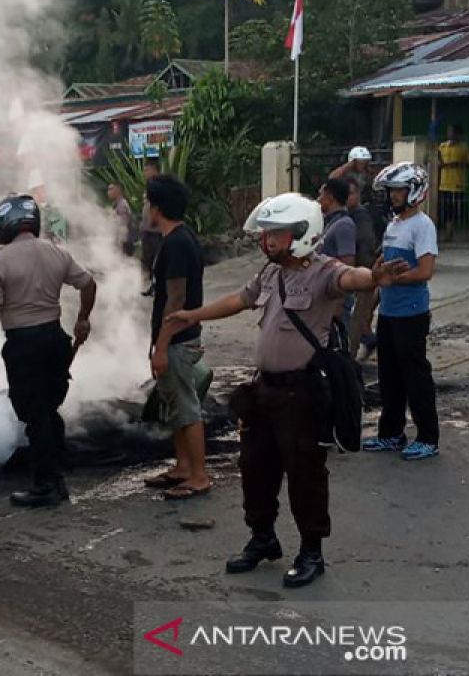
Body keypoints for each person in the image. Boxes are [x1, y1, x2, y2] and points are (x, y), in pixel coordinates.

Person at [166, 193, 407, 588]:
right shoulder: (271, 274)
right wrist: (193, 315)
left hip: (302, 394)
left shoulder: (324, 271)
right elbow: (239, 300)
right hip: (264, 392)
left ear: (301, 233)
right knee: (254, 469)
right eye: (266, 235)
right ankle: (263, 538)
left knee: (305, 475)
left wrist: (374, 278)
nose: (267, 242)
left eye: (274, 235)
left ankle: (312, 551)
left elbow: (351, 279)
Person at [0, 194, 96, 508]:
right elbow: (88, 284)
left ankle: (49, 485)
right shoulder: (56, 252)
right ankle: (58, 460)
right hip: (55, 339)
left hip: (22, 344)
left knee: (35, 414)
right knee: (47, 406)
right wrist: (83, 318)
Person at [363, 163, 441, 461]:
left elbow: (425, 271)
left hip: (411, 313)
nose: (393, 196)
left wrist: (391, 278)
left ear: (414, 191)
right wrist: (373, 300)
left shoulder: (422, 226)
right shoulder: (394, 225)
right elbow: (382, 269)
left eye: (397, 190)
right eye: (391, 191)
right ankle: (391, 434)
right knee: (390, 376)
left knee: (415, 376)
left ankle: (428, 438)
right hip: (390, 313)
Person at [141, 175, 209, 500]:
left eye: (146, 202)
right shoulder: (178, 239)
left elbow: (177, 301)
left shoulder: (178, 243)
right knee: (176, 407)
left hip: (179, 340)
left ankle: (198, 476)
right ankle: (183, 467)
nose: (144, 208)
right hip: (177, 338)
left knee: (186, 406)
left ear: (157, 208)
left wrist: (162, 346)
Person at [317, 178, 357, 341]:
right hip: (327, 296)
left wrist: (339, 301)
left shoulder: (343, 225)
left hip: (336, 299)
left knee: (337, 345)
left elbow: (347, 264)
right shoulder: (331, 223)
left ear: (330, 197)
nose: (318, 199)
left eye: (321, 195)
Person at [345, 178, 379, 356]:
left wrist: (364, 274)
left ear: (357, 194)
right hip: (358, 274)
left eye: (350, 193)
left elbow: (366, 246)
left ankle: (358, 349)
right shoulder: (347, 215)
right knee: (359, 315)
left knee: (358, 315)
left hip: (363, 273)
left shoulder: (360, 216)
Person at [437, 124, 469, 240]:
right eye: (449, 132)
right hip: (444, 184)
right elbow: (437, 160)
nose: (450, 134)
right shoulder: (442, 146)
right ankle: (448, 233)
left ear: (458, 134)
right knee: (447, 210)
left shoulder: (464, 148)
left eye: (452, 132)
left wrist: (458, 164)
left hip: (458, 183)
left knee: (462, 209)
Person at [140, 158, 163, 296]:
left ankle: (158, 286)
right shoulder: (149, 185)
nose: (145, 173)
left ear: (155, 170)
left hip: (156, 231)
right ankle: (153, 285)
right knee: (147, 259)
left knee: (158, 259)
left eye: (147, 170)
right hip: (147, 229)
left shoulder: (160, 186)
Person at [27, 169, 67, 243]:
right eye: (35, 190)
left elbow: (59, 239)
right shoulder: (29, 211)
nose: (42, 191)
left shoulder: (54, 211)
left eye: (41, 188)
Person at [106, 183, 136, 256]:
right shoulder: (116, 204)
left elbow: (122, 227)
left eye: (111, 189)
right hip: (119, 242)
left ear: (118, 190)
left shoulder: (122, 205)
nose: (108, 192)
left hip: (123, 243)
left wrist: (118, 244)